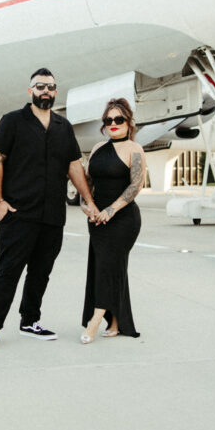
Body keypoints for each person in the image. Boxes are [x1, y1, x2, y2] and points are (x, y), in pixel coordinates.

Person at [0, 68, 97, 351]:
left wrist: (88, 200)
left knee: (41, 272)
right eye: (40, 86)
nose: (46, 91)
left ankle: (30, 321)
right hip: (18, 213)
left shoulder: (62, 126)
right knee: (8, 271)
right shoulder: (13, 122)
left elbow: (73, 165)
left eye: (51, 87)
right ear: (30, 91)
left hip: (53, 215)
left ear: (56, 92)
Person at [80, 98, 145, 343]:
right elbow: (88, 184)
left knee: (108, 266)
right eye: (109, 120)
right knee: (107, 267)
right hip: (97, 220)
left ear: (129, 122)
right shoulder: (97, 148)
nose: (113, 124)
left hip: (123, 219)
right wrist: (88, 207)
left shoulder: (134, 149)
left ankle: (95, 321)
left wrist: (111, 209)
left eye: (119, 119)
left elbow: (136, 185)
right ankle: (116, 322)